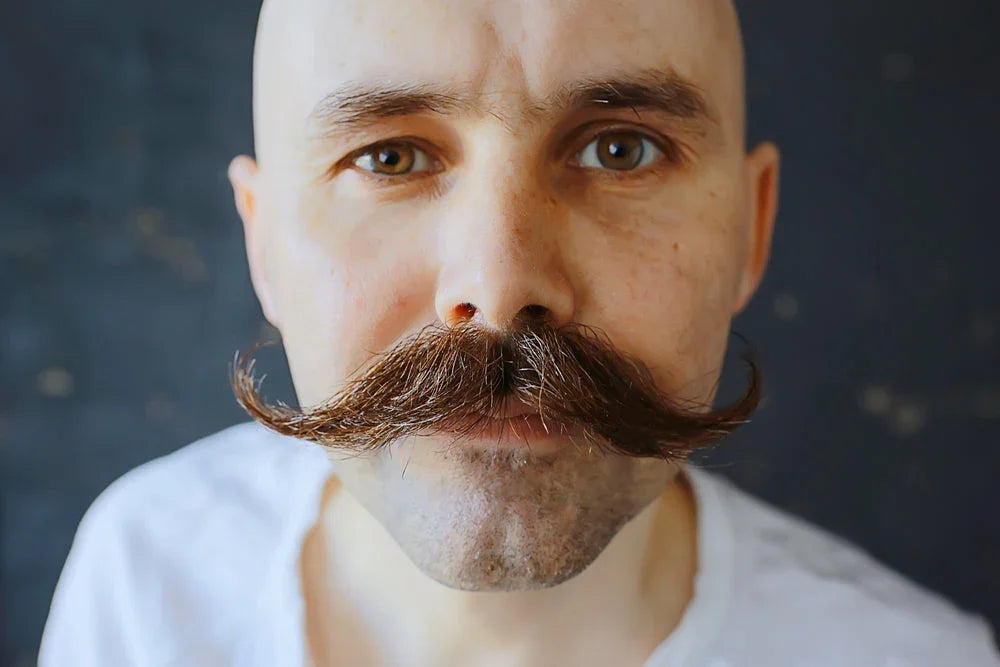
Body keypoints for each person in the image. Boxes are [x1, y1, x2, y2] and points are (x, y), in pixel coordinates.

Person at [39, 0, 1000, 665]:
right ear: (261, 245)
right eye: (390, 156)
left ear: (753, 229)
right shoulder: (145, 578)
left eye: (619, 149)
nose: (499, 287)